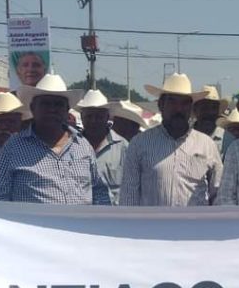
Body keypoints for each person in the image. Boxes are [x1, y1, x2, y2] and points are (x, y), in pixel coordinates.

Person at [0, 75, 110, 205]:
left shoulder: (83, 146)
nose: (52, 109)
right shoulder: (12, 148)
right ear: (33, 108)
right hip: (32, 225)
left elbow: (99, 192)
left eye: (58, 104)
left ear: (67, 110)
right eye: (45, 104)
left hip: (82, 226)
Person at [121, 74, 222, 206]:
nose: (178, 108)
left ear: (191, 108)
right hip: (153, 226)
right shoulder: (139, 144)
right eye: (172, 102)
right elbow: (129, 196)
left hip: (196, 225)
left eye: (184, 103)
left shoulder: (206, 144)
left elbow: (219, 194)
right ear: (160, 105)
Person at [76, 89, 128, 205]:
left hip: (114, 217)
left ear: (107, 117)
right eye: (89, 116)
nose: (93, 121)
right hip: (81, 216)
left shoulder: (123, 147)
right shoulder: (71, 146)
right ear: (81, 117)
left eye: (99, 116)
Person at [193, 85, 228, 151]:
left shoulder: (227, 140)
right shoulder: (184, 138)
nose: (210, 112)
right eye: (205, 107)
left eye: (214, 108)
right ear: (195, 110)